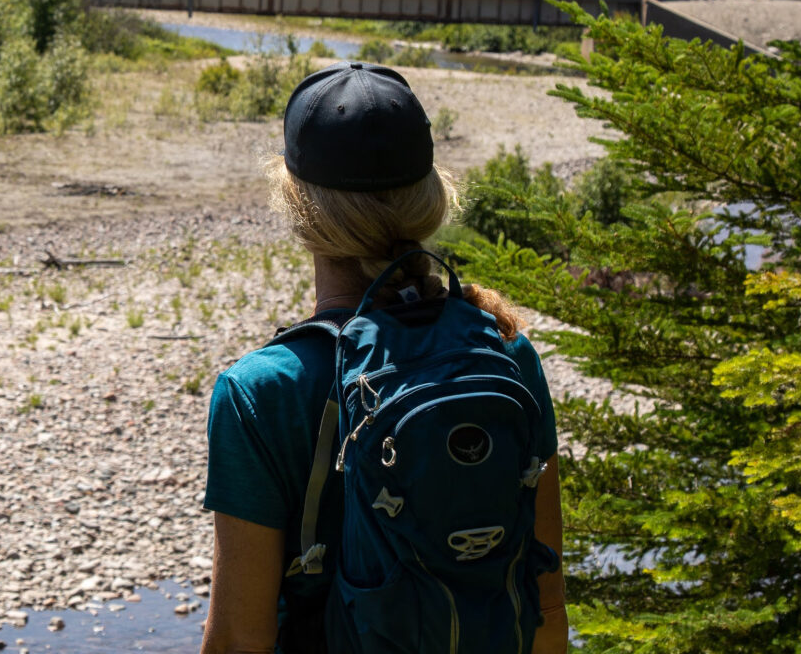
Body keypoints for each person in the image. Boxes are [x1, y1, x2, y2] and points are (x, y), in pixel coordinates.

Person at [199, 62, 567, 654]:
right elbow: (545, 602)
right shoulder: (505, 350)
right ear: (429, 199)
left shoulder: (260, 391)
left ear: (298, 209)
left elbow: (241, 638)